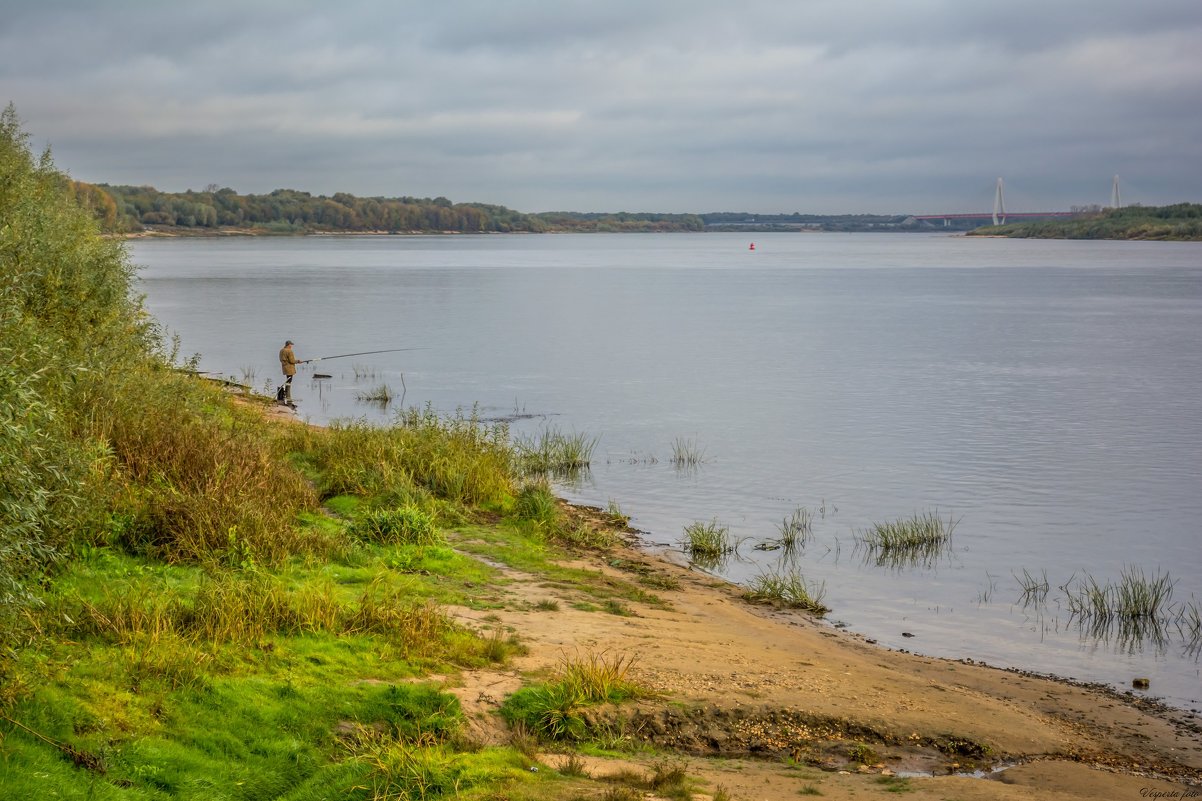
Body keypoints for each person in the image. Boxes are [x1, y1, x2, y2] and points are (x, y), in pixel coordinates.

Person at [279, 340, 300, 405]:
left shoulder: (281, 350)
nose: (291, 346)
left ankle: (287, 394)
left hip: (284, 367)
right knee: (289, 381)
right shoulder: (289, 351)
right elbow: (292, 361)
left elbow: (281, 359)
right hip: (289, 368)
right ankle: (288, 395)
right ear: (288, 345)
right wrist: (298, 361)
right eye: (291, 345)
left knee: (288, 380)